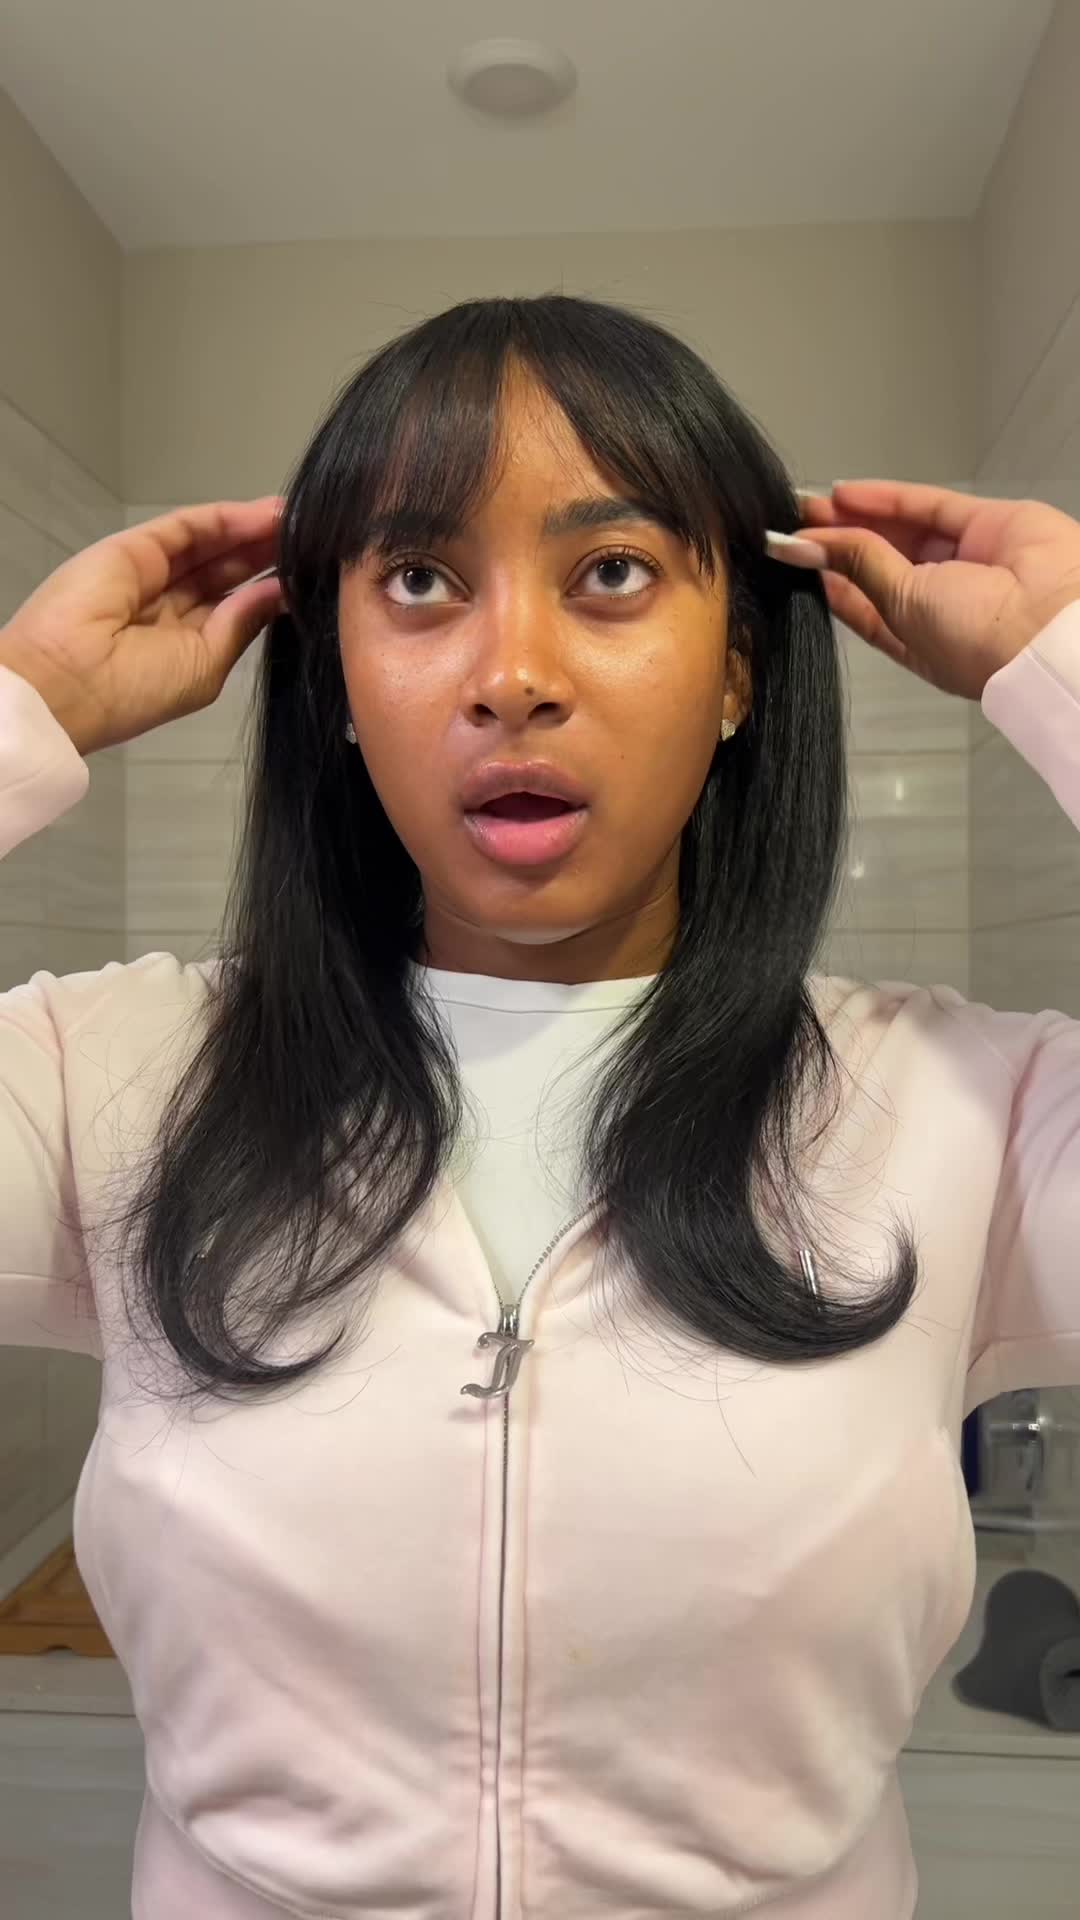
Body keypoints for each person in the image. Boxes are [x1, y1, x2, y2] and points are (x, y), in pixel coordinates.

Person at [1, 293, 1078, 1920]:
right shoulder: (107, 1078)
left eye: (614, 573)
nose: (513, 676)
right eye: (419, 582)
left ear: (737, 671)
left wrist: (1069, 659)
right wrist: (23, 697)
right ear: (335, 678)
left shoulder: (977, 1115)